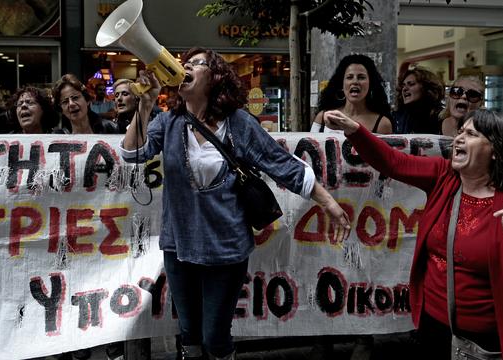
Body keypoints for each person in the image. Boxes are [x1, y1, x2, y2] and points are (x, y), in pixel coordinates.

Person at [121, 47, 350, 360]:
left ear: (215, 77)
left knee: (214, 336)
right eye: (183, 63)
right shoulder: (169, 122)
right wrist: (145, 106)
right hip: (180, 247)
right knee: (189, 334)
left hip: (225, 249)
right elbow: (132, 154)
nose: (184, 67)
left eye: (195, 64)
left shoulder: (238, 123)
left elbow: (282, 164)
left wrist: (331, 205)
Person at [324, 108, 503, 359]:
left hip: (487, 339)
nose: (459, 139)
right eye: (460, 131)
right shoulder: (444, 176)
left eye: (471, 134)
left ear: (496, 149)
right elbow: (393, 162)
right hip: (432, 326)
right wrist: (354, 130)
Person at [311, 54, 393, 134]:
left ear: (371, 84)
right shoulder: (322, 117)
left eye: (361, 77)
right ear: (341, 84)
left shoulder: (383, 123)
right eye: (349, 77)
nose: (355, 82)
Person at [52, 74, 118, 135]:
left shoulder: (109, 128)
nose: (71, 104)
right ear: (61, 109)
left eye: (75, 98)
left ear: (87, 100)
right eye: (65, 102)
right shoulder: (57, 137)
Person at [393, 67, 445, 134]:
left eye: (411, 84)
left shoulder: (440, 116)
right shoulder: (399, 116)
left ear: (425, 87)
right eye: (403, 85)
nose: (404, 89)